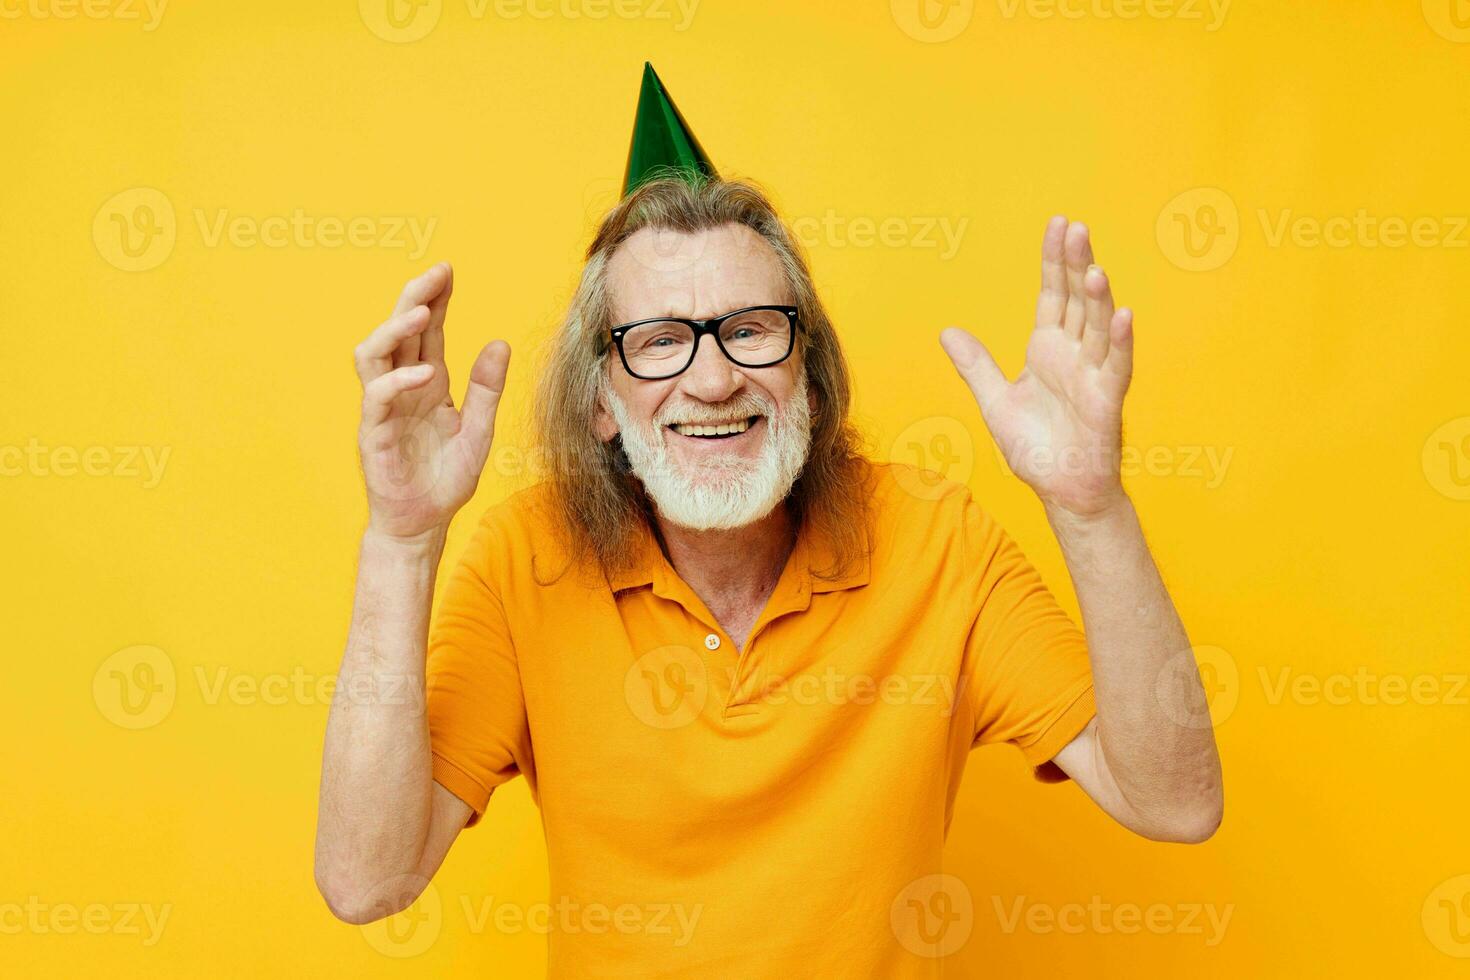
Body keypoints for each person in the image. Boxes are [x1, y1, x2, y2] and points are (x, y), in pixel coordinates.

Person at [314, 65, 1223, 978]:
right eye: (661, 340)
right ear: (601, 398)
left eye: (750, 329)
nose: (713, 381)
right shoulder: (526, 558)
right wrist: (402, 541)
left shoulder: (935, 538)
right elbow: (366, 881)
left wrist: (1090, 506)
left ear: (810, 371)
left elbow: (1175, 803)